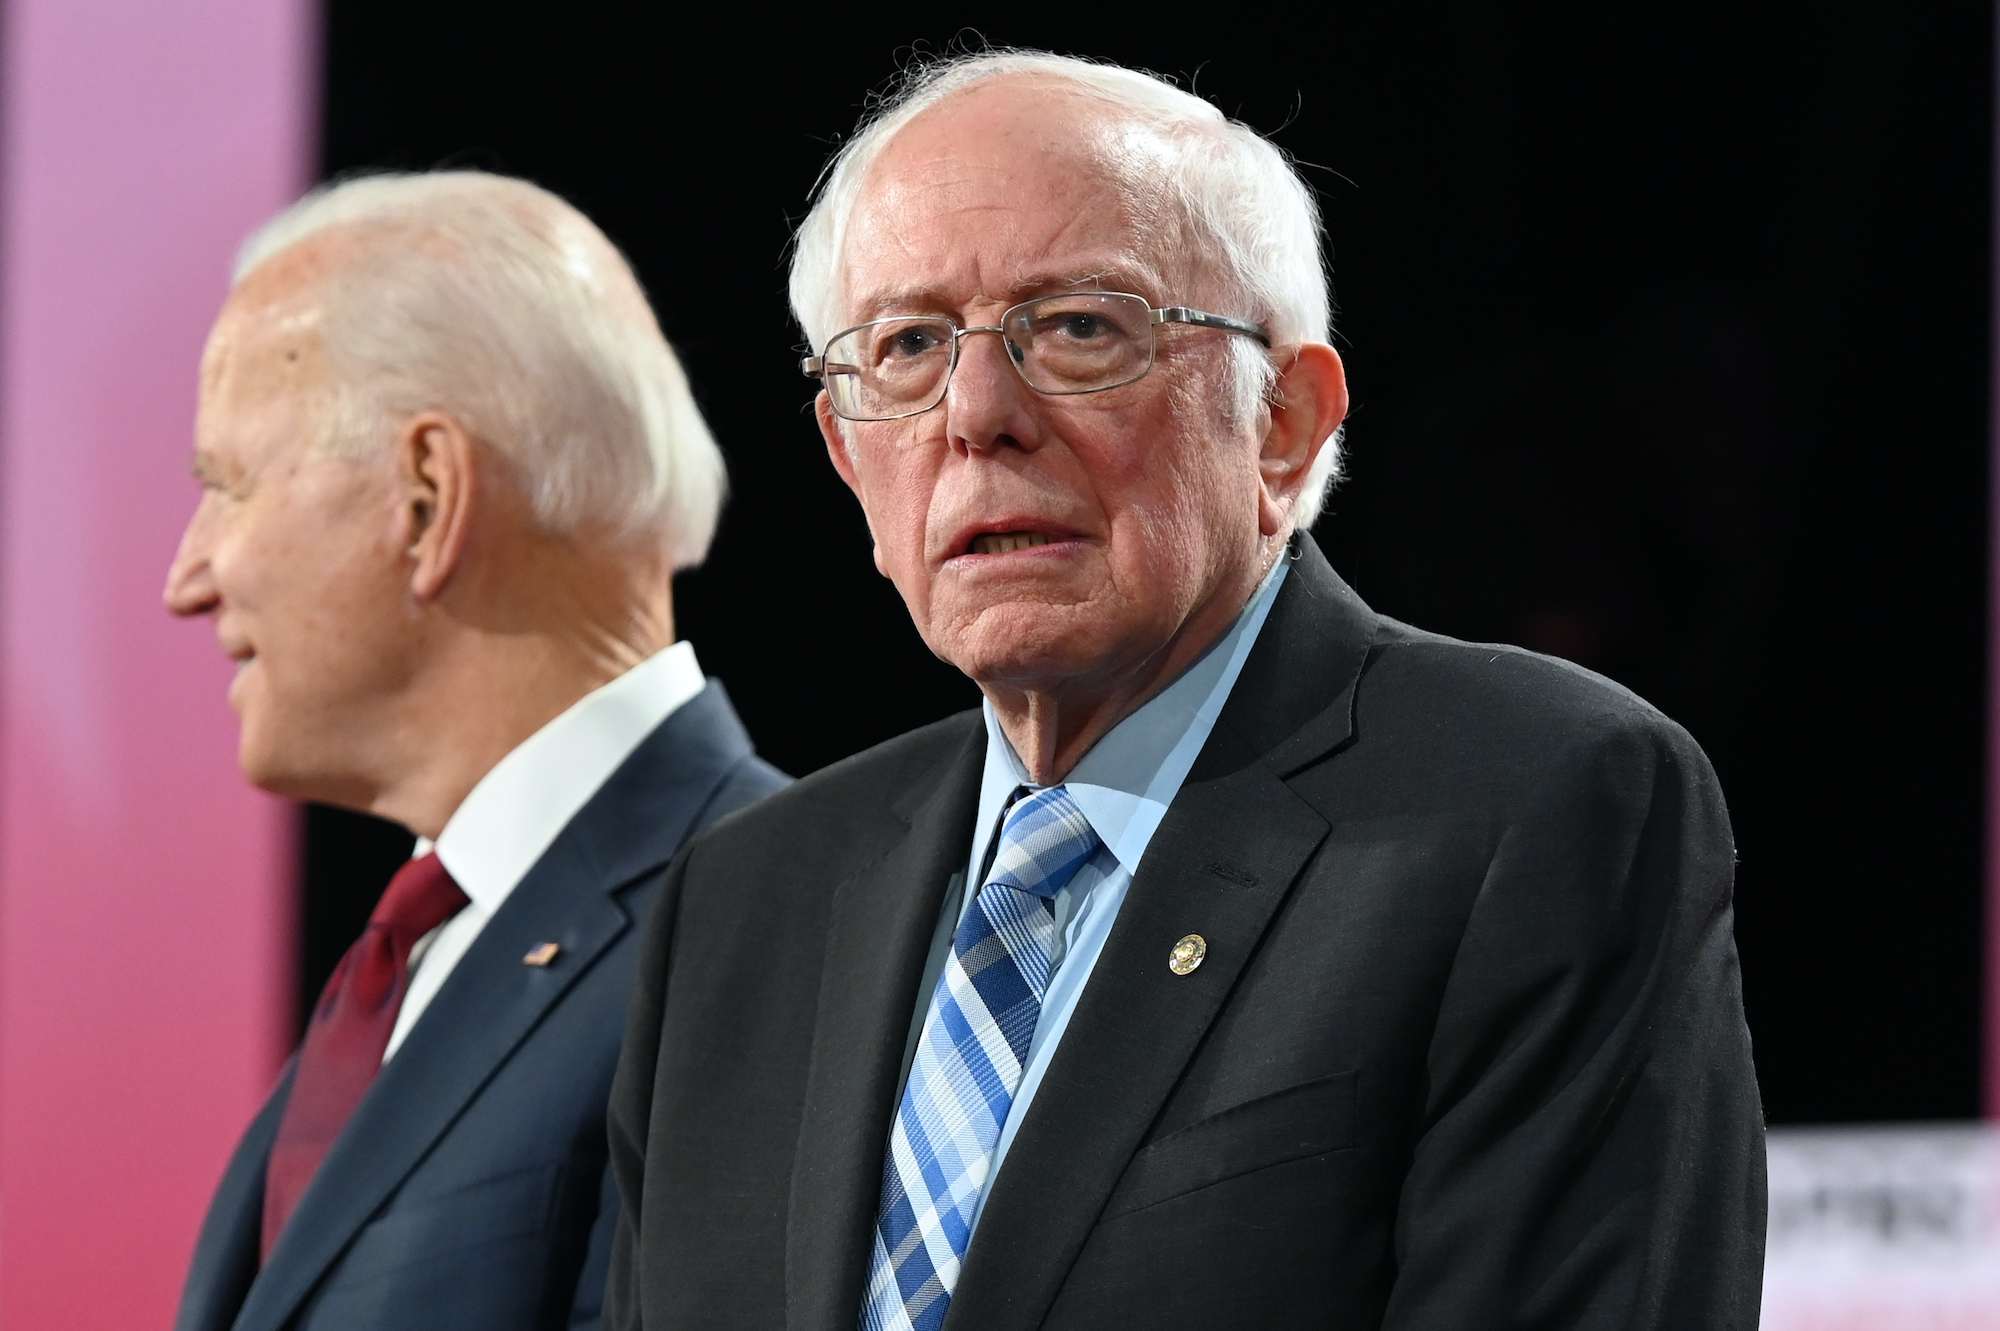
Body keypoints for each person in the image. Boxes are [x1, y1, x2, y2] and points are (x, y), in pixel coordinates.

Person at [605, 50, 1765, 1331]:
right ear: (844, 451)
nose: (975, 413)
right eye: (907, 347)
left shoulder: (1534, 800)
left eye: (1081, 327)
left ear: (1283, 420)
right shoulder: (741, 901)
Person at [166, 171, 787, 1331]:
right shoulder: (422, 950)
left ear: (426, 497)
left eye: (227, 486)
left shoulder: (765, 933)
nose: (185, 578)